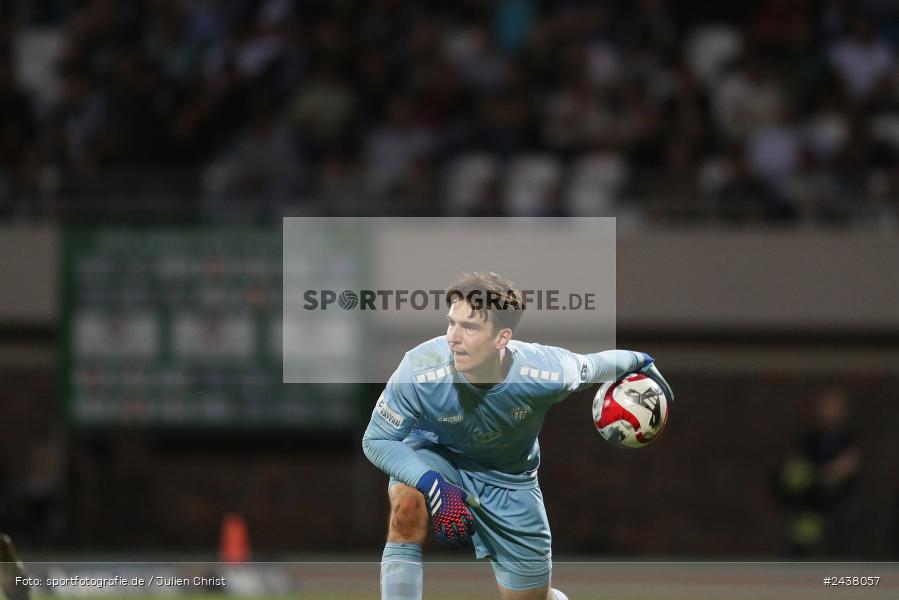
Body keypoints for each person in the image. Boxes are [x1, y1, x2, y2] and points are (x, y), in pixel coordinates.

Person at [362, 272, 673, 600]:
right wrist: (431, 483)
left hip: (508, 479)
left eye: (469, 327)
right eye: (451, 323)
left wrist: (644, 363)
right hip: (436, 454)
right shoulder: (419, 369)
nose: (453, 337)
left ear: (502, 338)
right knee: (407, 506)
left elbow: (597, 365)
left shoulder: (545, 372)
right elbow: (377, 440)